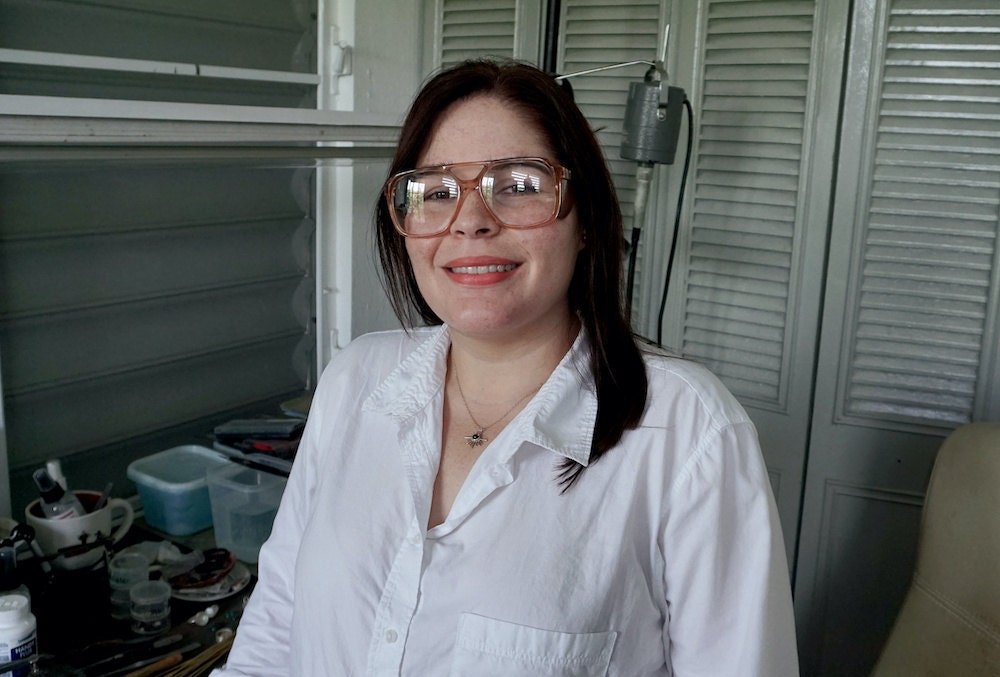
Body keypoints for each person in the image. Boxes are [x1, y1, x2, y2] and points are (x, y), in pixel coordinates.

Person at [215, 59, 799, 676]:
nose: (469, 219)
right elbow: (276, 625)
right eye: (436, 192)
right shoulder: (355, 379)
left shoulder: (688, 432)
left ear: (586, 220)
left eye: (520, 185)